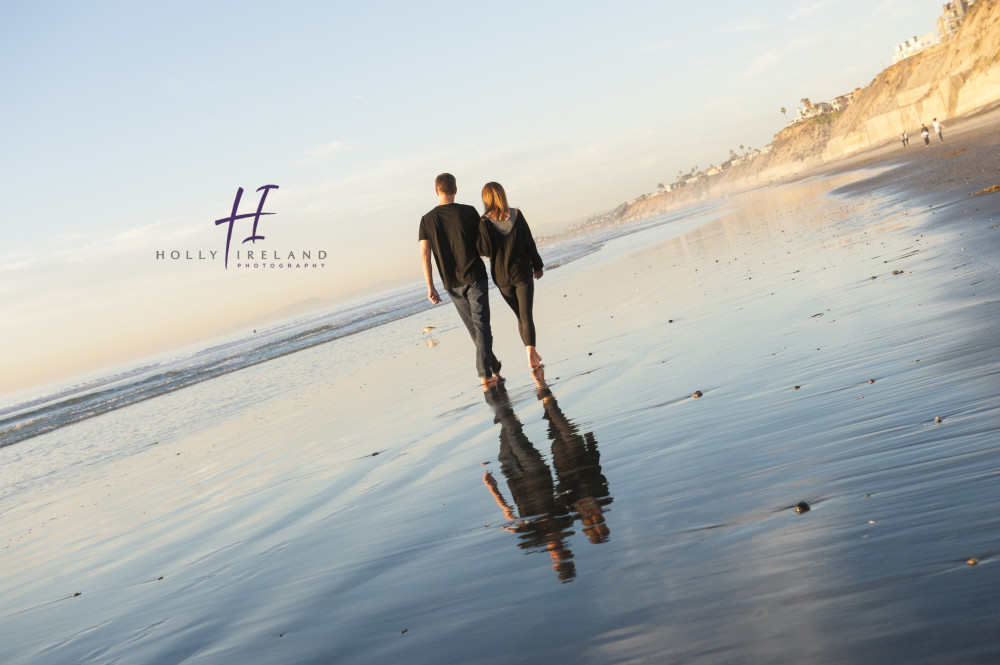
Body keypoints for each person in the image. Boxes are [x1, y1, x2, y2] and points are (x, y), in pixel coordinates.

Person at [419, 173, 501, 385]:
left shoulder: (426, 220)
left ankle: (492, 367)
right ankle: (486, 371)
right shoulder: (469, 211)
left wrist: (430, 286)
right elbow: (484, 243)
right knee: (481, 325)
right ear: (455, 190)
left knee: (474, 328)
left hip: (451, 282)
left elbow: (424, 253)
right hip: (475, 275)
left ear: (436, 191)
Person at [478, 182, 545, 369]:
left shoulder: (483, 222)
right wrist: (537, 265)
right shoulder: (516, 213)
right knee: (526, 316)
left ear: (486, 199)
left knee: (520, 316)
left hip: (501, 277)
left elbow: (484, 251)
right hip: (522, 272)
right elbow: (528, 242)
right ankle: (531, 353)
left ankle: (531, 352)